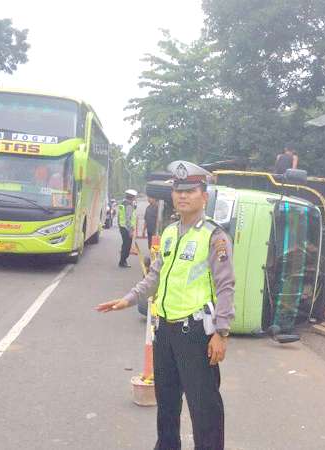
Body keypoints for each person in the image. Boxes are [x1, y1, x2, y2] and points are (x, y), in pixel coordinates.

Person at [97, 160, 235, 450]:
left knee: (204, 409)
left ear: (204, 196)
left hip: (196, 333)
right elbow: (157, 275)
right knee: (167, 406)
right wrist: (128, 299)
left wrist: (221, 332)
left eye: (190, 191)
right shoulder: (171, 232)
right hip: (166, 333)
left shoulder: (214, 236)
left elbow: (225, 286)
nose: (183, 196)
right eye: (178, 190)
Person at [117, 189, 138, 268]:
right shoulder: (129, 206)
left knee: (124, 244)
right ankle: (123, 261)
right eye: (134, 197)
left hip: (122, 227)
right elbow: (128, 219)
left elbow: (120, 216)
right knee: (127, 246)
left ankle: (123, 261)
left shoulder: (123, 203)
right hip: (126, 229)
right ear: (132, 197)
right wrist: (130, 230)